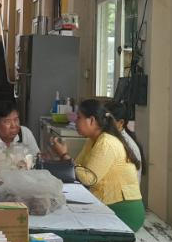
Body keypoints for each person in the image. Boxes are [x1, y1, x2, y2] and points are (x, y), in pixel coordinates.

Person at [52, 99, 144, 231]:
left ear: (91, 120)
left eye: (79, 117)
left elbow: (88, 178)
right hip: (105, 204)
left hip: (123, 210)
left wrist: (64, 155)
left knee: (66, 224)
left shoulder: (106, 142)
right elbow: (77, 168)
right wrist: (61, 158)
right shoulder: (92, 140)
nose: (75, 121)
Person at [105, 100, 144, 183]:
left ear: (121, 122)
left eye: (108, 120)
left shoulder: (127, 144)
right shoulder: (110, 139)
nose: (103, 124)